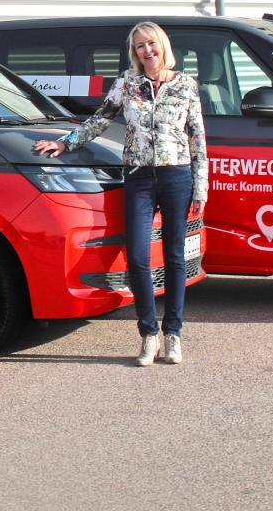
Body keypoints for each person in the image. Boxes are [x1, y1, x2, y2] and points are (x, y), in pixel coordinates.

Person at [34, 21, 207, 366]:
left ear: (162, 45)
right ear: (134, 52)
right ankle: (148, 333)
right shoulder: (127, 84)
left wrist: (200, 186)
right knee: (139, 257)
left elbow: (197, 138)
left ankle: (173, 334)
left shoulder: (185, 85)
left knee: (174, 257)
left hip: (176, 175)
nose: (147, 50)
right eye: (140, 46)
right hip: (139, 177)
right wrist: (65, 143)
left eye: (151, 43)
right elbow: (99, 120)